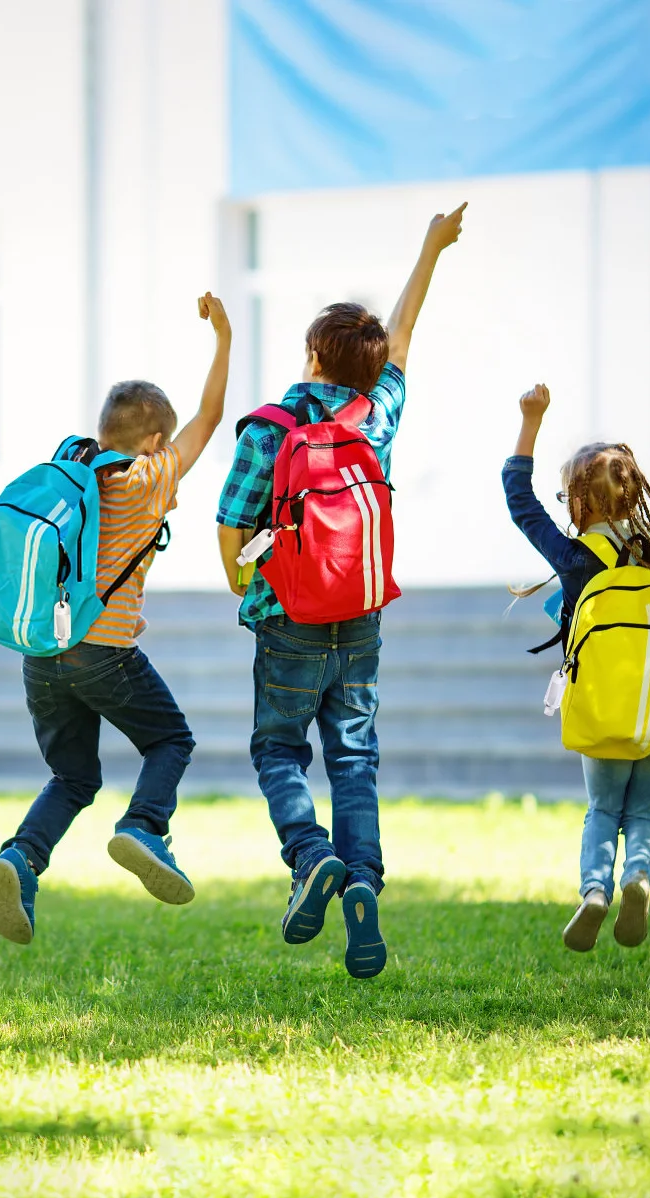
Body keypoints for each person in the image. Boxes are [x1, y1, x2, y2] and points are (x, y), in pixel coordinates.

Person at [216, 205, 467, 978]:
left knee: (276, 750)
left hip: (286, 617)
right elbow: (405, 332)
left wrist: (245, 582)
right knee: (353, 760)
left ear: (312, 357)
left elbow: (232, 524)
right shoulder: (376, 415)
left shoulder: (270, 426)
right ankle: (361, 883)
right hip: (359, 617)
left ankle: (311, 855)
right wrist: (431, 246)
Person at [0, 293, 232, 945]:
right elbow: (210, 417)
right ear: (153, 439)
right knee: (170, 741)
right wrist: (224, 338)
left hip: (42, 652)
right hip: (105, 651)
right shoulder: (149, 477)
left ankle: (20, 858)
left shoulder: (74, 471)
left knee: (72, 776)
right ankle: (145, 827)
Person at [502, 383, 650, 951]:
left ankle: (595, 890)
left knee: (603, 809)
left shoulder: (578, 559)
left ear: (579, 504)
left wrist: (531, 420)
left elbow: (518, 499)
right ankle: (638, 878)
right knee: (643, 814)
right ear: (634, 497)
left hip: (600, 716)